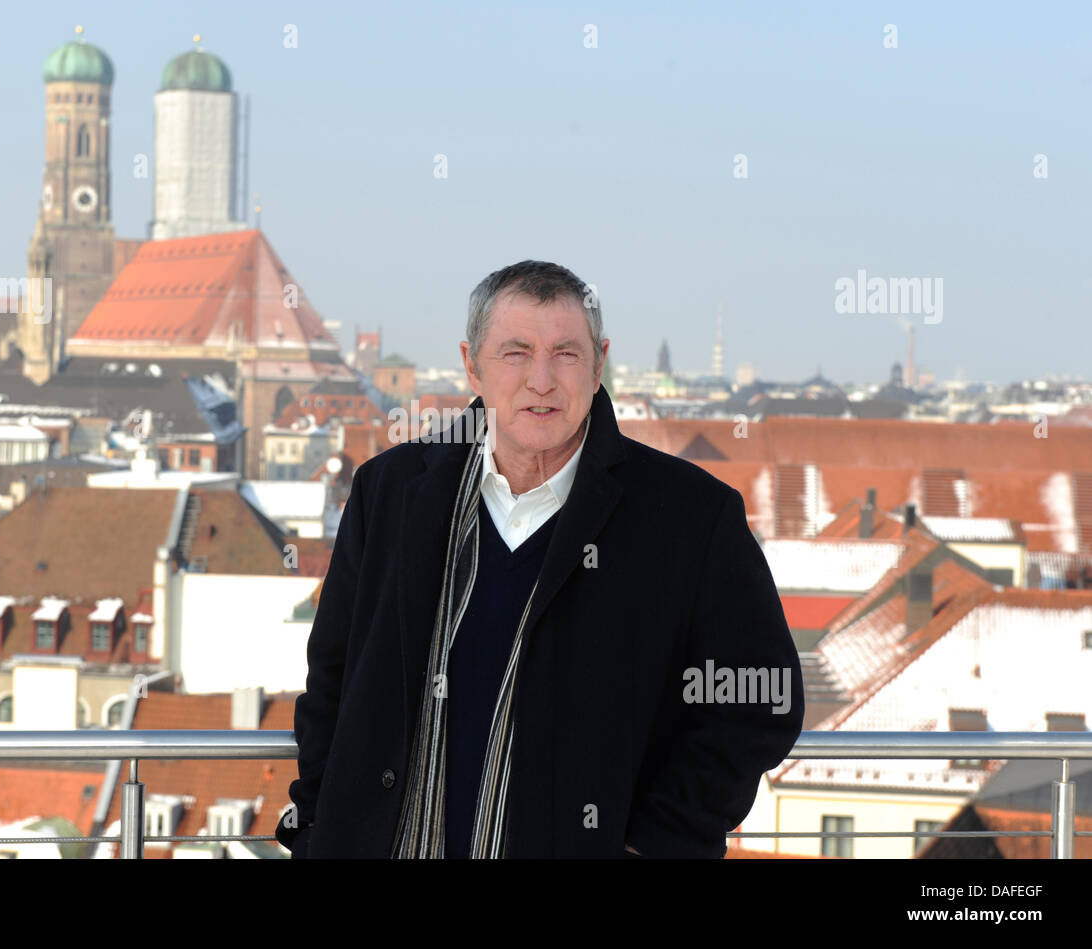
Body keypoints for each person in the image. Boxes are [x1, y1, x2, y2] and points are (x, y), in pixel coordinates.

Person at [277, 260, 803, 858]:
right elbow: (331, 679)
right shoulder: (390, 493)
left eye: (566, 354)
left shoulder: (689, 517)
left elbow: (758, 699)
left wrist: (653, 843)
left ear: (600, 362)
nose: (542, 380)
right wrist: (317, 827)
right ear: (471, 364)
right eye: (516, 353)